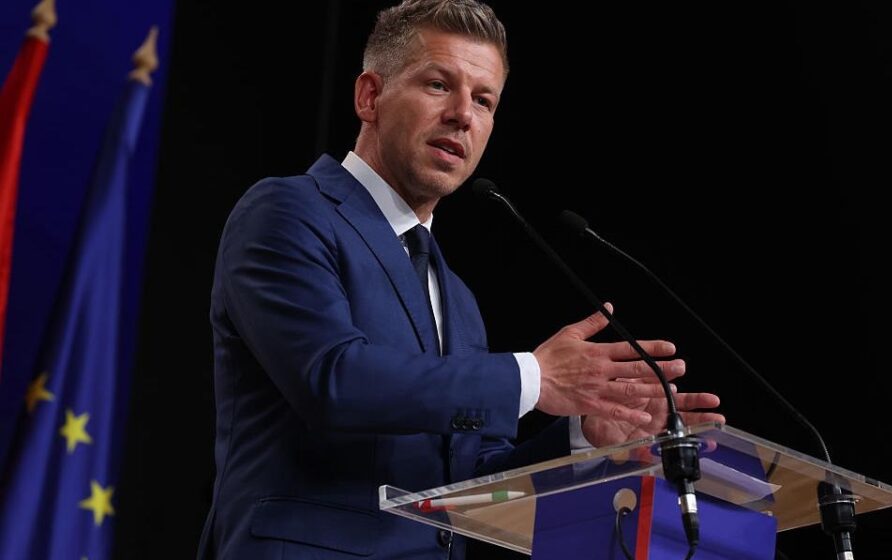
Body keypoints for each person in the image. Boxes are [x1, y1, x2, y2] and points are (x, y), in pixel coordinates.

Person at [197, 1, 722, 558]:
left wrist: (584, 438)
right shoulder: (288, 212)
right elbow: (331, 380)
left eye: (484, 100)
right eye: (438, 85)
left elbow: (470, 489)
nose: (463, 115)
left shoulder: (458, 298)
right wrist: (534, 377)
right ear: (369, 96)